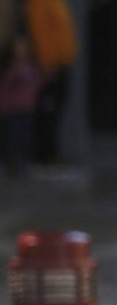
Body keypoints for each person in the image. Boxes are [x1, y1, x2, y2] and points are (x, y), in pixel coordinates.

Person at [23, 0, 76, 164]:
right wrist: (46, 62)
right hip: (51, 64)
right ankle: (45, 154)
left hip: (60, 61)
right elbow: (40, 30)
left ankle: (50, 152)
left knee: (55, 108)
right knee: (48, 110)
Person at [0, 33, 42, 178]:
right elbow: (5, 88)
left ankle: (24, 162)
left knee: (25, 135)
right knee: (12, 136)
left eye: (23, 46)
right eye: (18, 47)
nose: (21, 50)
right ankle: (12, 163)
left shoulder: (31, 67)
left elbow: (36, 83)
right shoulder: (10, 68)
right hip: (12, 108)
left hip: (27, 107)